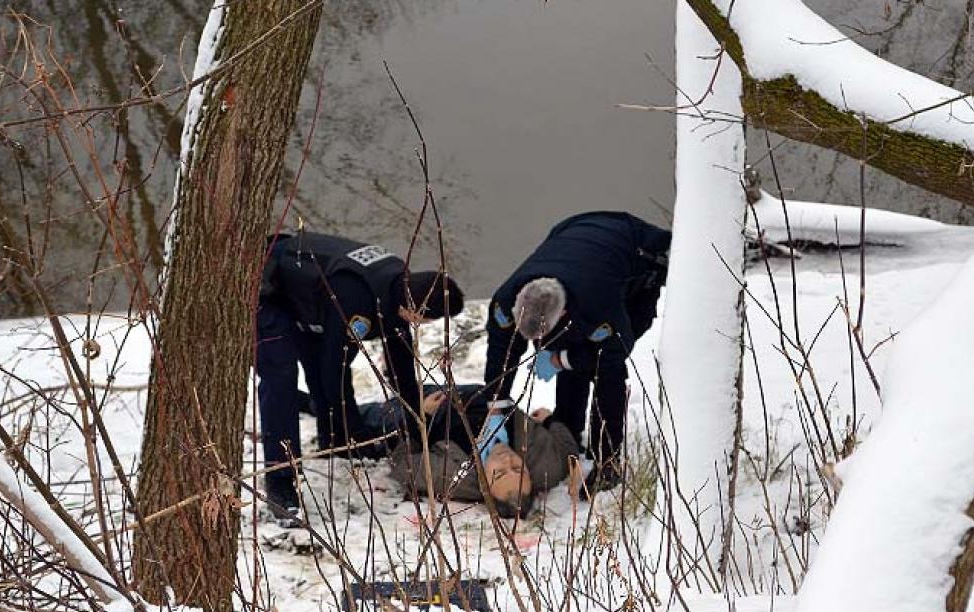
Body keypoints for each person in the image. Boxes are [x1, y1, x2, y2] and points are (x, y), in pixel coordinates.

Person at [256, 230, 464, 523]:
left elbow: (401, 367)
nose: (425, 325)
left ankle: (334, 442)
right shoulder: (359, 302)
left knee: (319, 363)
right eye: (427, 320)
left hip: (309, 297)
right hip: (267, 285)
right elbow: (335, 373)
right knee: (282, 375)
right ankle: (280, 483)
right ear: (414, 312)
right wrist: (359, 435)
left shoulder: (398, 289)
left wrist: (418, 424)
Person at [481, 211, 669, 495]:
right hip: (572, 231)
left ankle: (606, 461)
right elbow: (501, 352)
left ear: (565, 313)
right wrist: (496, 407)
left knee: (602, 369)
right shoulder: (506, 299)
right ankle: (569, 428)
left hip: (638, 254)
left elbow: (614, 356)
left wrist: (562, 360)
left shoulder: (600, 305)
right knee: (561, 347)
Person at [380, 390, 580, 518]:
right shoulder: (547, 469)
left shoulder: (448, 475)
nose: (507, 460)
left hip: (444, 402)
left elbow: (402, 463)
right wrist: (549, 420)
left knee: (381, 417)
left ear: (484, 485)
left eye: (499, 472)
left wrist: (421, 416)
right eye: (518, 468)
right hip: (495, 392)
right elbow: (569, 450)